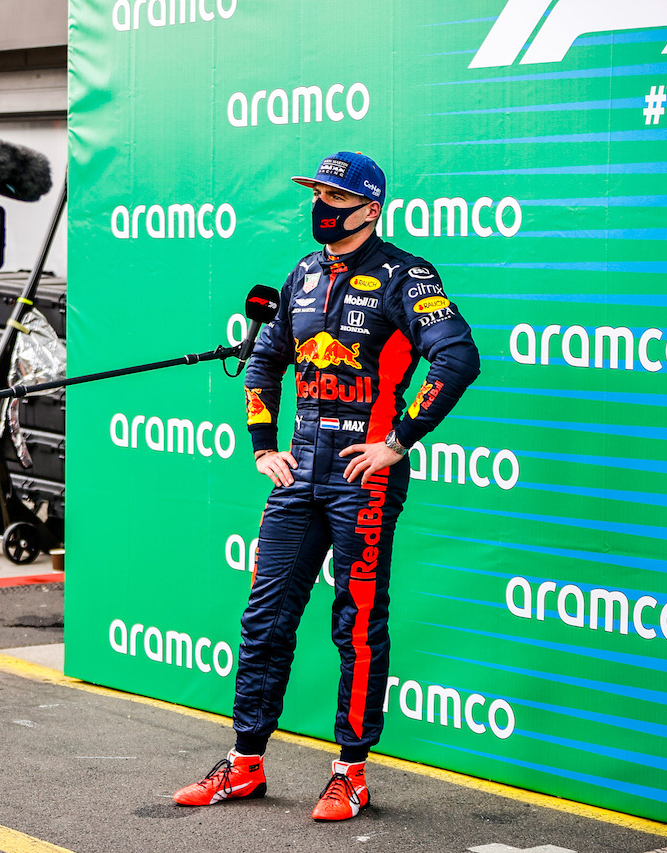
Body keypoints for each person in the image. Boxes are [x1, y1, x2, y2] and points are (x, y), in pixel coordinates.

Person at [173, 151, 481, 821]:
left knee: (358, 624)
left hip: (361, 481)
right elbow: (262, 362)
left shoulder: (407, 274)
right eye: (316, 190)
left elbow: (457, 355)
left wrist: (397, 441)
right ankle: (245, 760)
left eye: (335, 193)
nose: (320, 203)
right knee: (265, 616)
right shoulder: (303, 273)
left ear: (371, 208)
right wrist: (262, 445)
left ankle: (351, 770)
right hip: (299, 472)